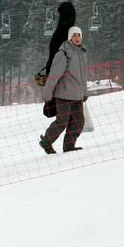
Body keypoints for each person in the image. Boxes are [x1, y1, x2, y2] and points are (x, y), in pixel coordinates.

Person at [39, 26, 89, 154]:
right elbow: (54, 74)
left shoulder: (82, 51)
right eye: (74, 35)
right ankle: (46, 142)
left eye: (79, 35)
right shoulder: (63, 53)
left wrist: (84, 92)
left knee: (78, 122)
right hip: (64, 94)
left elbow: (82, 75)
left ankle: (69, 147)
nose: (77, 38)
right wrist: (47, 92)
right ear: (69, 37)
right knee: (62, 121)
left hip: (77, 95)